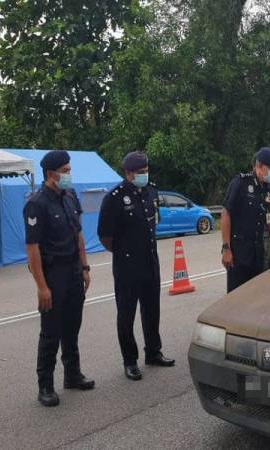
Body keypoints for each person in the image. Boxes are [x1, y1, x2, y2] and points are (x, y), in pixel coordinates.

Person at [24, 150, 95, 407]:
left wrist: (85, 267)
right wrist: (42, 286)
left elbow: (78, 235)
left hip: (74, 270)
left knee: (72, 327)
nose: (69, 174)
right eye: (65, 170)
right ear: (50, 173)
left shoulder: (70, 196)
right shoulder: (37, 203)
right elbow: (32, 248)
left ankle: (72, 375)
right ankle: (45, 385)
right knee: (51, 332)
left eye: (69, 169)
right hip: (53, 274)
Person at [97, 151, 175, 381]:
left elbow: (153, 224)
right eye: (140, 172)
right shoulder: (115, 197)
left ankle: (153, 351)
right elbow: (105, 236)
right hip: (128, 265)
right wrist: (124, 253)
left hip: (150, 261)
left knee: (152, 310)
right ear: (128, 173)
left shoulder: (151, 191)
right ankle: (130, 361)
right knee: (126, 314)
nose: (144, 175)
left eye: (146, 171)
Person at [221, 147, 270, 292]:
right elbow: (226, 213)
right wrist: (226, 248)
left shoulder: (269, 188)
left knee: (256, 294)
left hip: (258, 251)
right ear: (259, 166)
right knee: (237, 296)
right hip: (239, 251)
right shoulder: (241, 183)